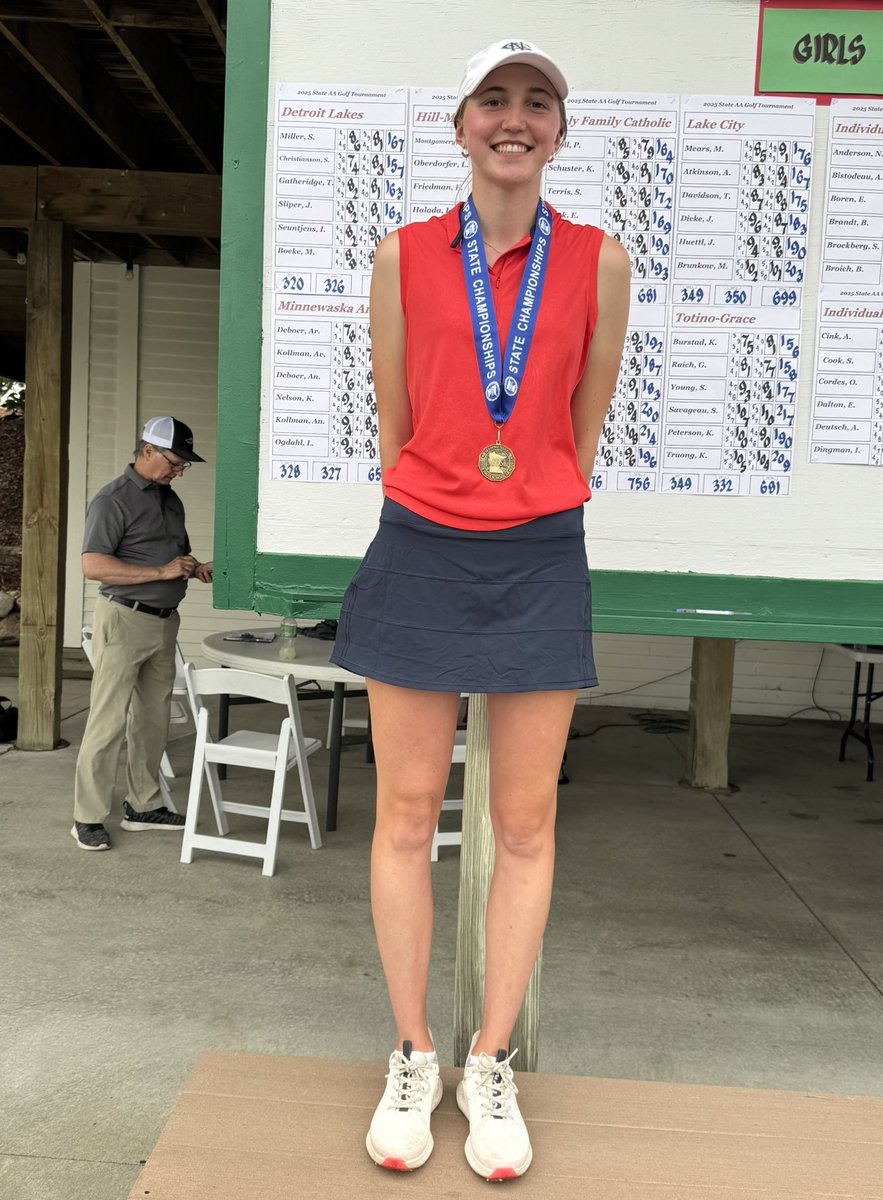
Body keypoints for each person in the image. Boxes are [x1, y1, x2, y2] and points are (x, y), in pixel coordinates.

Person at [331, 39, 630, 1179]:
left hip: (541, 553)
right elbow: (395, 419)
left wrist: (530, 491)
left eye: (538, 102)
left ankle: (490, 1064)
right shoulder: (403, 255)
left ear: (559, 128)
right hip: (422, 545)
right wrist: (455, 488)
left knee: (527, 827)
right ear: (460, 126)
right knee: (406, 818)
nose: (516, 118)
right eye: (495, 100)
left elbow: (580, 427)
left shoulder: (600, 263)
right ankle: (414, 1053)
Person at [71, 417, 213, 851]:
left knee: (152, 720)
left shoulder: (170, 500)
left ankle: (142, 804)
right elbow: (93, 566)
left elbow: (173, 554)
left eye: (184, 465)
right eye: (174, 461)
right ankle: (86, 818)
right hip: (124, 620)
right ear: (147, 450)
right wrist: (161, 571)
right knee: (108, 721)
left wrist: (194, 566)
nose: (178, 470)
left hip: (164, 621)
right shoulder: (112, 500)